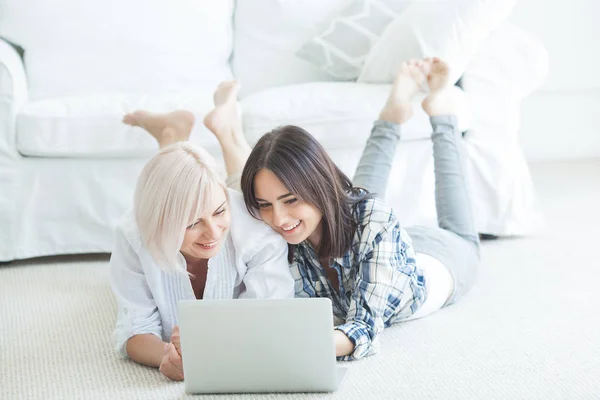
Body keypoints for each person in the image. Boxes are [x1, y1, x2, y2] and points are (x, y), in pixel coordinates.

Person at [126, 57, 480, 362]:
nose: (278, 220)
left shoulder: (375, 222)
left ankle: (442, 111)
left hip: (439, 260)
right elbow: (218, 197)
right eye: (266, 205)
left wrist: (287, 345)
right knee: (344, 198)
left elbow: (362, 327)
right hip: (365, 231)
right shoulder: (276, 226)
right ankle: (392, 109)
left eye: (291, 200)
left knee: (384, 211)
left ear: (314, 188)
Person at [109, 85, 294, 381]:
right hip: (166, 210)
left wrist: (210, 351)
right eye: (192, 223)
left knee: (230, 175)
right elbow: (134, 327)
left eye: (219, 212)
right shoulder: (133, 233)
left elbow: (271, 317)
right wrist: (169, 357)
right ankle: (170, 131)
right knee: (174, 179)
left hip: (231, 201)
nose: (213, 233)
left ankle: (217, 129)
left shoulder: (256, 229)